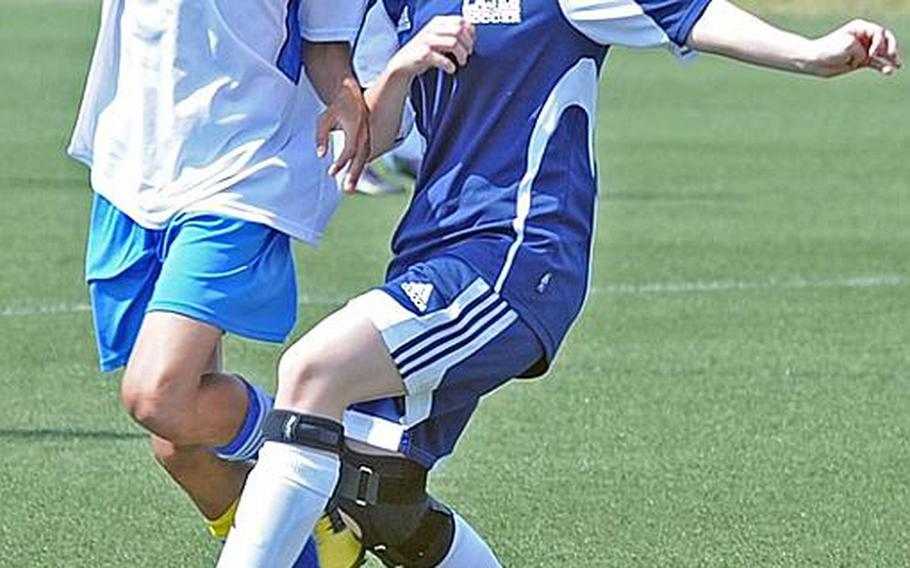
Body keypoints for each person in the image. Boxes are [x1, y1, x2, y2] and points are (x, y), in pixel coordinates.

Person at [218, 0, 902, 566]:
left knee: (310, 372)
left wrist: (811, 54)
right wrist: (402, 64)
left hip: (516, 259)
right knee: (379, 494)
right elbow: (375, 135)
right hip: (433, 254)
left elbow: (688, 14)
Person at [68, 0, 372, 565]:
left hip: (238, 170)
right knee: (178, 446)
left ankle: (322, 448)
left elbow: (324, 40)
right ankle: (315, 545)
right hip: (132, 167)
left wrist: (348, 98)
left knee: (158, 394)